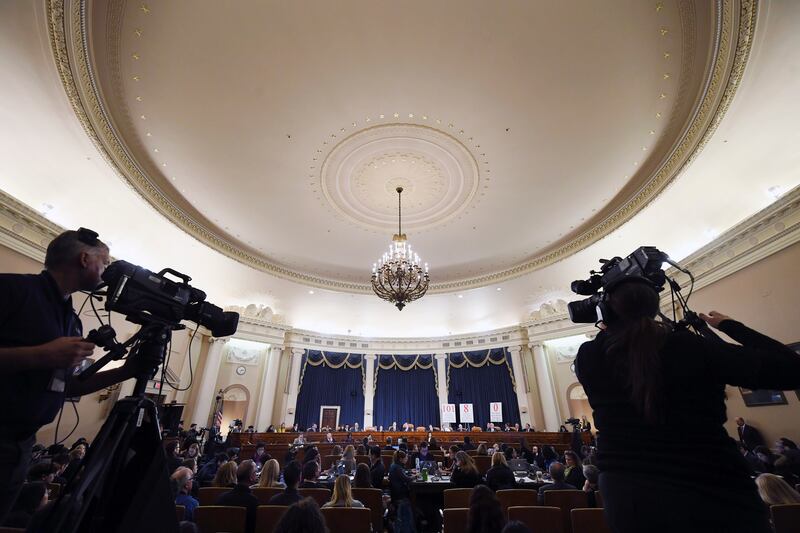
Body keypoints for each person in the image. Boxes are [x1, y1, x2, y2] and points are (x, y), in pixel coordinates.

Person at [575, 276, 800, 533]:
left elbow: (625, 349)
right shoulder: (690, 347)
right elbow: (792, 369)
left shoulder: (589, 356)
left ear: (605, 311)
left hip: (629, 500)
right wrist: (728, 326)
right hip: (714, 492)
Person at [0, 229, 156, 522]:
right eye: (105, 262)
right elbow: (46, 358)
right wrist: (41, 355)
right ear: (85, 258)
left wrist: (125, 371)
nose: (108, 270)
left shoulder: (71, 319)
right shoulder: (12, 290)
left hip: (21, 447)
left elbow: (69, 386)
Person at [215, 460, 259, 533]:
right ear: (251, 477)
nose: (257, 474)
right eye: (255, 472)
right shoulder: (253, 501)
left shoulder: (221, 498)